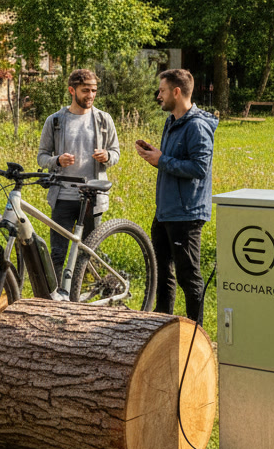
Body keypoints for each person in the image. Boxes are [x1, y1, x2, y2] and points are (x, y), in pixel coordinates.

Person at [135, 68, 218, 324]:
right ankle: (161, 329)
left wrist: (163, 160)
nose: (158, 95)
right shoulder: (172, 121)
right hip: (165, 211)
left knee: (188, 277)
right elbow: (171, 162)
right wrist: (156, 156)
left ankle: (197, 334)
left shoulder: (197, 126)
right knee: (161, 273)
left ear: (177, 91)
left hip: (187, 214)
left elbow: (199, 168)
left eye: (162, 90)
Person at [37, 68, 120, 272]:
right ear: (71, 91)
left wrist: (107, 156)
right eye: (85, 90)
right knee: (58, 253)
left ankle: (82, 295)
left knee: (89, 254)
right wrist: (57, 160)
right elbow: (42, 157)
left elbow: (116, 152)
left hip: (93, 197)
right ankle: (56, 295)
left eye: (93, 90)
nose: (90, 95)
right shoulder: (55, 121)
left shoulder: (103, 120)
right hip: (63, 196)